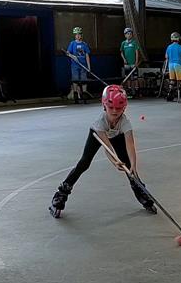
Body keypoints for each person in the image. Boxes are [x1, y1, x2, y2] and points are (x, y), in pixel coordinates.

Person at [49, 84, 157, 218]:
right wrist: (114, 162)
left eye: (119, 108)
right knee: (84, 163)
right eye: (111, 107)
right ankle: (61, 194)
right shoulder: (100, 123)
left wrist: (134, 165)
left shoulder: (125, 123)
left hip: (116, 135)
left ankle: (141, 192)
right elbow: (107, 148)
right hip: (97, 135)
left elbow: (130, 145)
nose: (114, 111)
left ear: (124, 107)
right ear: (104, 105)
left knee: (129, 166)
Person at [66, 27, 91, 104]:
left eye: (79, 34)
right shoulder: (72, 43)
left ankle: (84, 95)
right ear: (74, 35)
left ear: (81, 35)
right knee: (75, 80)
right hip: (75, 65)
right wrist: (73, 56)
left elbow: (87, 55)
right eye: (76, 34)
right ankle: (76, 96)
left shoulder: (84, 44)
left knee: (84, 80)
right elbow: (67, 53)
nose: (78, 36)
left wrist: (89, 67)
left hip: (83, 65)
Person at [164, 32, 181, 102]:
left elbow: (166, 56)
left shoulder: (169, 47)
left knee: (172, 80)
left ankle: (169, 95)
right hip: (178, 64)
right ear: (179, 39)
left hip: (171, 65)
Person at [120, 27, 141, 98]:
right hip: (127, 64)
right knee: (127, 78)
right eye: (127, 34)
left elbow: (137, 52)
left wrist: (136, 62)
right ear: (125, 35)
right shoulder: (123, 43)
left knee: (135, 78)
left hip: (133, 63)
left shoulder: (134, 42)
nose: (129, 35)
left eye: (130, 34)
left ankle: (136, 91)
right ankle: (129, 91)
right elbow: (121, 52)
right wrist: (124, 59)